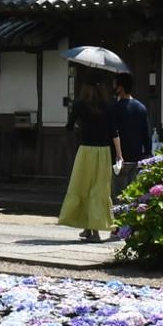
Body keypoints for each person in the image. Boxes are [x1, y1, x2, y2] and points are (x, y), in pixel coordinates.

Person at [56, 78, 114, 242]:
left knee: (83, 187)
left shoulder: (80, 105)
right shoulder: (108, 106)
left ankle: (93, 231)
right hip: (103, 152)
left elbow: (69, 126)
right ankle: (89, 229)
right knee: (98, 190)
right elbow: (112, 130)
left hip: (86, 150)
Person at [111, 73, 153, 189]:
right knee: (133, 194)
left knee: (118, 195)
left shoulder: (115, 108)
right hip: (136, 157)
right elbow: (146, 135)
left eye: (115, 85)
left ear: (120, 88)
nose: (113, 88)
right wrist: (147, 153)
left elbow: (112, 132)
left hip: (118, 159)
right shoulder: (141, 107)